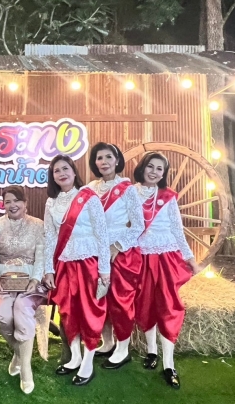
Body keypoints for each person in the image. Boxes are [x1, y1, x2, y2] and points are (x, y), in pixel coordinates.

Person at [133, 152, 202, 389]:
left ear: (164, 174)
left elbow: (177, 230)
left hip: (165, 257)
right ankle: (151, 352)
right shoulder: (130, 193)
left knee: (167, 306)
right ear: (142, 168)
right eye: (150, 166)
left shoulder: (168, 197)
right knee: (145, 303)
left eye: (159, 169)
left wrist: (190, 259)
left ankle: (169, 364)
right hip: (141, 257)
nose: (154, 172)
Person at [44, 155, 111, 386]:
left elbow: (102, 235)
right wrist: (49, 269)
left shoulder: (89, 197)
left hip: (88, 262)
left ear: (74, 172)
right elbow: (50, 237)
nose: (62, 173)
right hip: (63, 263)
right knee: (68, 311)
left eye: (65, 168)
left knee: (90, 312)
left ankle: (88, 362)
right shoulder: (51, 202)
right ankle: (75, 357)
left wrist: (104, 269)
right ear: (52, 177)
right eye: (56, 171)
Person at [0, 185, 47, 394]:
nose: (12, 205)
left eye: (16, 200)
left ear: (25, 203)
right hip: (4, 281)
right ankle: (20, 353)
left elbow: (41, 255)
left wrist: (35, 279)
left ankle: (25, 368)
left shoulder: (37, 225)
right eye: (7, 201)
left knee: (21, 309)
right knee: (3, 316)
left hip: (31, 281)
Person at [87, 142, 144, 369]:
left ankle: (123, 348)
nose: (104, 162)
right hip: (95, 251)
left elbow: (138, 225)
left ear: (117, 160)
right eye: (99, 158)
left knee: (121, 301)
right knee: (100, 298)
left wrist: (117, 247)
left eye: (108, 157)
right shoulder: (91, 188)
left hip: (121, 253)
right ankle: (108, 341)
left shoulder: (128, 189)